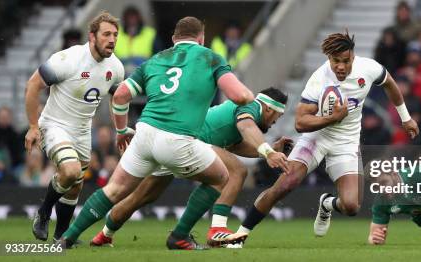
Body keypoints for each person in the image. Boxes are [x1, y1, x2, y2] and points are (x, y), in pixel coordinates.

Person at [58, 16, 255, 250]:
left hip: (144, 133)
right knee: (222, 177)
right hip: (177, 139)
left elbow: (120, 96)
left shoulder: (156, 59)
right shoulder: (210, 57)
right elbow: (240, 96)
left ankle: (66, 238)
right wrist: (251, 99)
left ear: (174, 39)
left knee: (114, 190)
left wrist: (121, 130)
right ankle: (180, 236)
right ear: (201, 39)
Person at [230, 30, 419, 248]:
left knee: (351, 206)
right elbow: (300, 123)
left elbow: (390, 83)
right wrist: (333, 117)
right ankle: (240, 235)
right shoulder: (319, 79)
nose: (340, 66)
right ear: (328, 58)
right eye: (335, 61)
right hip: (316, 138)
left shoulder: (368, 68)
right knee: (284, 185)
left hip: (347, 142)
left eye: (345, 61)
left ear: (353, 57)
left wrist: (406, 118)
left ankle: (327, 203)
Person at [89, 87, 291, 248]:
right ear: (269, 109)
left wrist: (268, 149)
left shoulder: (245, 113)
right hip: (190, 142)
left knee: (140, 197)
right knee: (237, 171)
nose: (275, 123)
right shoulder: (251, 107)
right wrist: (268, 152)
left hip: (174, 143)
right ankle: (216, 230)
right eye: (277, 117)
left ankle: (104, 234)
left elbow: (236, 144)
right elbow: (245, 127)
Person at [25, 11, 124, 242]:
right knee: (69, 172)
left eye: (115, 35)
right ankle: (43, 212)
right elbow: (32, 85)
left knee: (74, 187)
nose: (112, 39)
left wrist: (120, 129)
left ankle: (61, 235)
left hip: (82, 131)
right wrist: (32, 126)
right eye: (106, 34)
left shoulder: (116, 67)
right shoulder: (68, 59)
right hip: (55, 125)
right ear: (92, 36)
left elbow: (116, 99)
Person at [114, 6, 161, 74]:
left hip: (143, 68)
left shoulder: (150, 33)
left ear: (139, 20)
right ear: (124, 20)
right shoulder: (116, 33)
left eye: (134, 19)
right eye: (129, 19)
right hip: (121, 68)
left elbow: (160, 55)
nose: (132, 22)